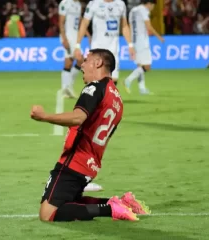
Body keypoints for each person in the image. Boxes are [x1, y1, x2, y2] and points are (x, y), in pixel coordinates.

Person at [31, 48, 150, 222]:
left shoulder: (94, 88)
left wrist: (44, 116)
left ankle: (110, 209)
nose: (82, 65)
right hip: (91, 164)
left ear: (98, 63)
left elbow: (78, 117)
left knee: (48, 213)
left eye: (86, 60)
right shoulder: (117, 98)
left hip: (75, 161)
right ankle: (122, 203)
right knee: (71, 201)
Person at [74, 0, 134, 86]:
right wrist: (77, 45)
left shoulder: (120, 4)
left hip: (113, 49)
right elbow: (84, 23)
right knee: (96, 80)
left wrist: (130, 45)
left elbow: (124, 25)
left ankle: (106, 99)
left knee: (112, 81)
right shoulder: (94, 3)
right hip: (97, 49)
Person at [124, 0, 164, 95]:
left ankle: (142, 88)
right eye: (153, 5)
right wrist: (159, 37)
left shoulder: (133, 10)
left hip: (134, 40)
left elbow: (129, 25)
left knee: (140, 65)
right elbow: (148, 26)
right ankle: (128, 80)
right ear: (149, 3)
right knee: (147, 66)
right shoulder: (144, 10)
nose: (152, 8)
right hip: (142, 41)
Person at [58, 0, 88, 98]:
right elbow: (61, 22)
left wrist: (87, 33)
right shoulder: (65, 3)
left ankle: (67, 87)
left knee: (71, 62)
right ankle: (66, 87)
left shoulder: (78, 4)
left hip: (75, 36)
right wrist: (64, 38)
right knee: (77, 60)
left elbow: (79, 20)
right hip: (68, 36)